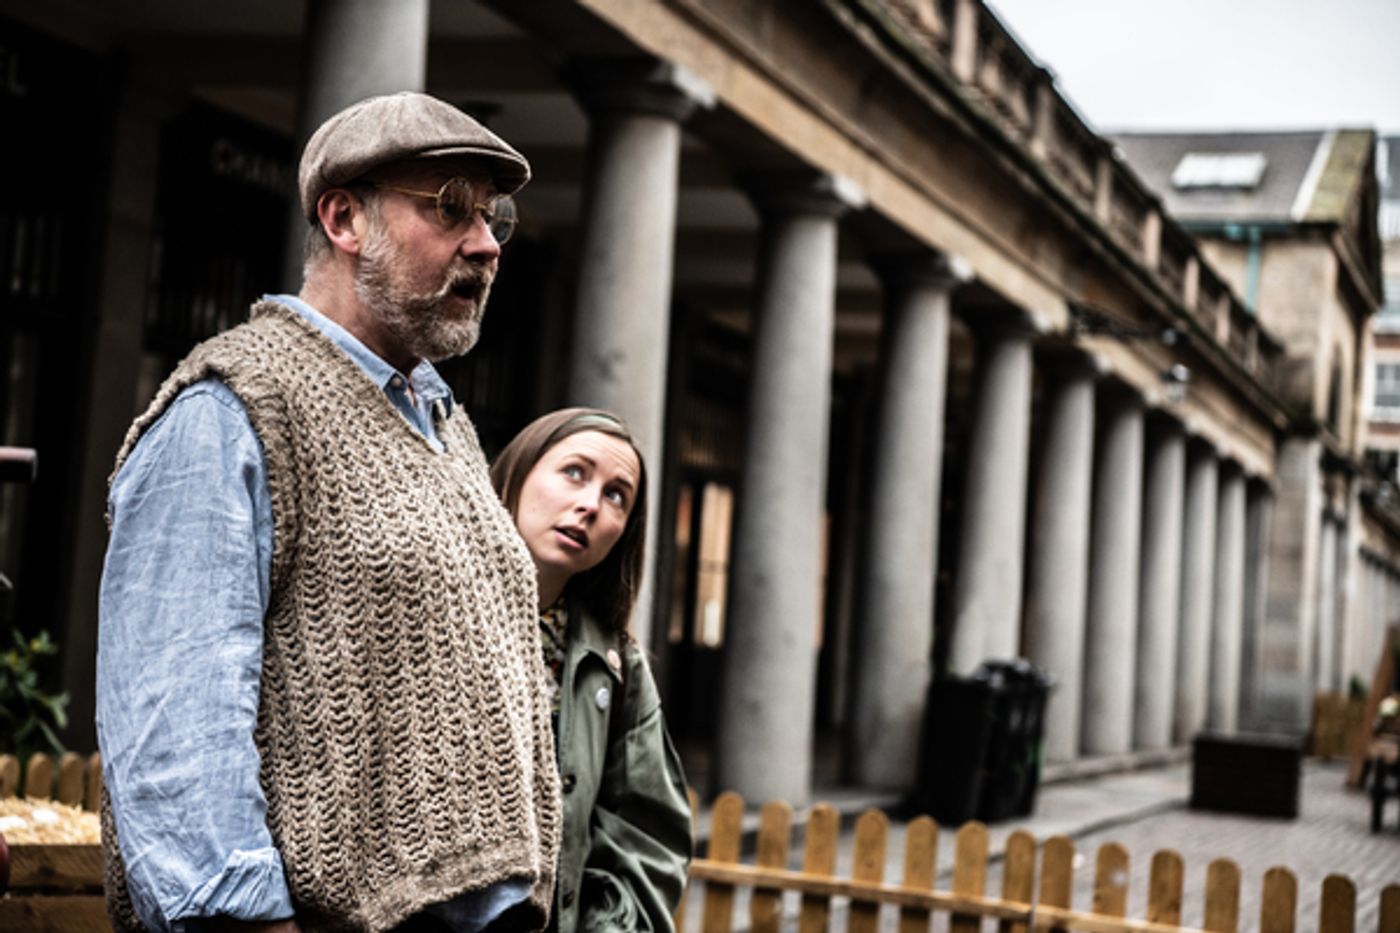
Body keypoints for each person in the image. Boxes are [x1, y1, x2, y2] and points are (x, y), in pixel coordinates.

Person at [96, 92, 561, 933]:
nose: (487, 245)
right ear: (345, 218)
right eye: (451, 208)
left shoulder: (439, 418)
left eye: (494, 218)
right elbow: (172, 723)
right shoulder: (230, 407)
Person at [490, 409, 692, 933]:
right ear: (518, 471)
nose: (589, 505)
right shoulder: (426, 613)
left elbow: (647, 840)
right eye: (574, 472)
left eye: (616, 496)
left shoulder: (616, 665)